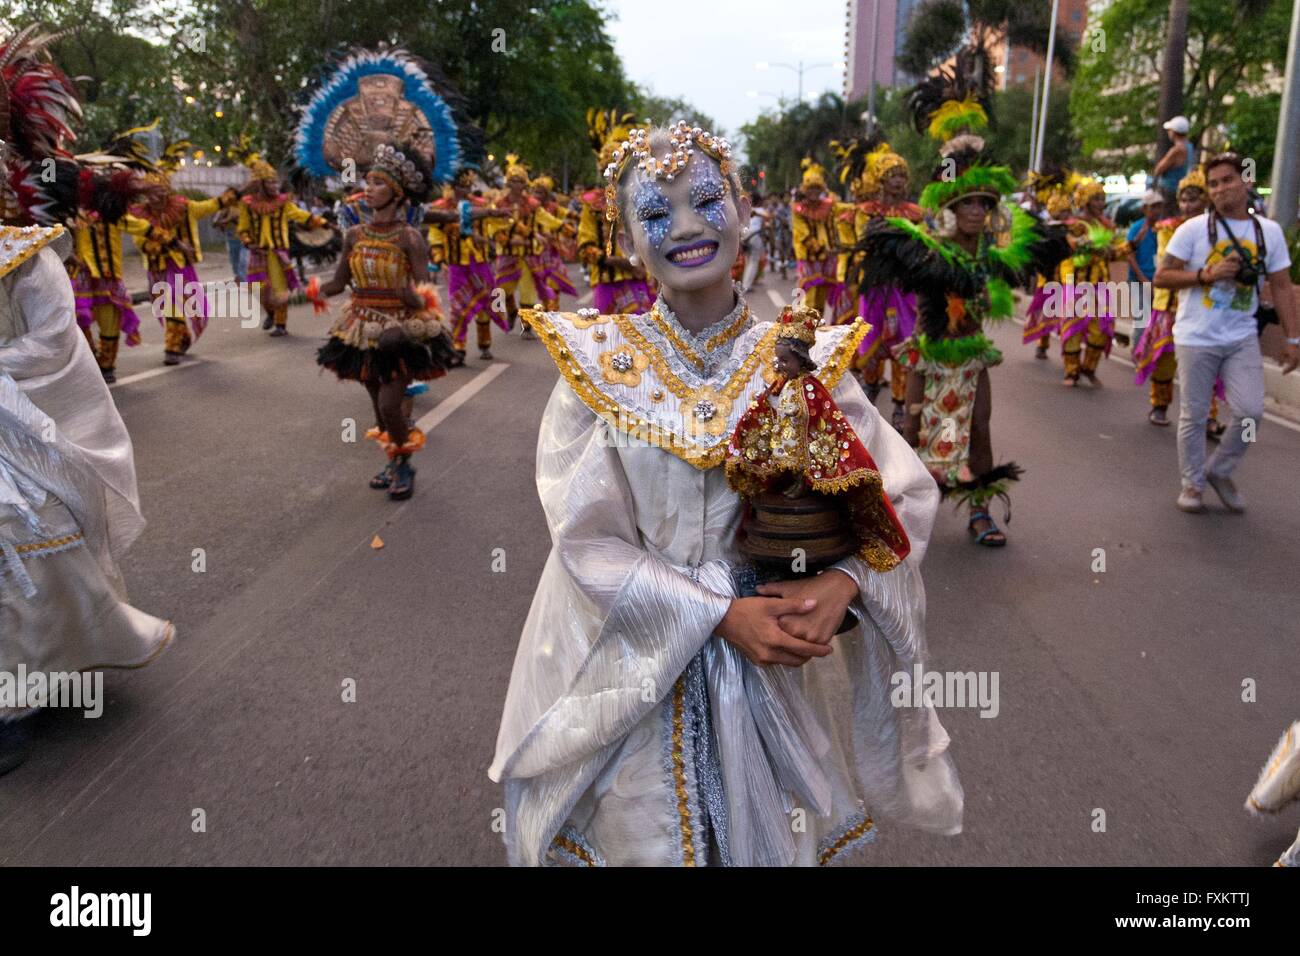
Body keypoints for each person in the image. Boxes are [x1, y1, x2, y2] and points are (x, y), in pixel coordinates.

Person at [488, 119, 961, 867]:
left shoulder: (805, 363)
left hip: (768, 666)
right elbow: (587, 541)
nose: (683, 228)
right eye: (653, 214)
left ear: (744, 211)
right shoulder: (599, 370)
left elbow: (897, 497)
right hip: (637, 671)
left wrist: (844, 582)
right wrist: (717, 615)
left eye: (703, 201)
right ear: (627, 243)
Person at [0, 25, 172, 774]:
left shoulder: (29, 262)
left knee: (24, 534)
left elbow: (49, 345)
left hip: (19, 430)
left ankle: (14, 699)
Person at [855, 45, 1070, 548]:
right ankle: (887, 514)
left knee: (979, 432)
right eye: (966, 202)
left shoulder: (991, 258)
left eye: (983, 203)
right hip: (928, 357)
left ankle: (980, 513)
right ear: (951, 207)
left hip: (973, 358)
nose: (976, 210)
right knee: (910, 432)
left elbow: (1033, 252)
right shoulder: (929, 255)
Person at [309, 144, 457, 501]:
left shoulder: (410, 237)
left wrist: (408, 293)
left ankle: (405, 463)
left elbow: (424, 292)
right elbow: (339, 282)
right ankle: (393, 459)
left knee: (391, 405)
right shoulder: (354, 235)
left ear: (396, 192)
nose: (369, 188)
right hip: (359, 327)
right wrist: (306, 293)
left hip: (400, 327)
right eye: (368, 182)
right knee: (378, 407)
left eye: (377, 183)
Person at [1153, 151, 1299, 514]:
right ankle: (1192, 484)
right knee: (1194, 415)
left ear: (1246, 181)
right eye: (1213, 184)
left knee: (1250, 412)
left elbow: (1282, 286)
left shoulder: (1269, 233)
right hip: (1195, 337)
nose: (1220, 190)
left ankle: (1220, 469)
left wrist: (1294, 340)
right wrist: (1205, 275)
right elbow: (1162, 276)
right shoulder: (1192, 230)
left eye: (1228, 181)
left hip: (1240, 336)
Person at [122, 137, 239, 365]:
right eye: (150, 194)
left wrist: (233, 194)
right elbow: (140, 242)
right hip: (157, 269)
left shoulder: (184, 207)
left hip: (181, 268)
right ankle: (174, 343)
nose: (154, 198)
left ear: (166, 192)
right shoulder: (139, 214)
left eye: (159, 193)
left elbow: (210, 206)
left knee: (188, 306)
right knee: (168, 308)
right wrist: (166, 244)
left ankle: (177, 342)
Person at [833, 136, 923, 429]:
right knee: (870, 338)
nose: (898, 181)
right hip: (873, 284)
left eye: (901, 175)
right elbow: (866, 241)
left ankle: (899, 402)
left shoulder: (915, 213)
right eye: (892, 176)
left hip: (903, 288)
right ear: (882, 180)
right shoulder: (864, 211)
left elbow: (919, 245)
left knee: (902, 342)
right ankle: (870, 385)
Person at [1132, 169, 1225, 430]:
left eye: (1193, 199)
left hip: (1201, 305)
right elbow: (1169, 263)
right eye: (1183, 200)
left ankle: (1208, 416)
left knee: (1204, 362)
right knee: (1164, 359)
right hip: (1169, 305)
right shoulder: (1167, 229)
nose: (1186, 205)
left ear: (1206, 200)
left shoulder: (1219, 230)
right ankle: (1159, 405)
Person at [233, 153, 328, 337]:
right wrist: (249, 243)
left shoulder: (283, 202)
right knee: (259, 290)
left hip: (279, 253)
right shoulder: (247, 204)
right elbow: (242, 229)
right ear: (260, 185)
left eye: (276, 182)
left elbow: (300, 214)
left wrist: (322, 223)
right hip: (257, 253)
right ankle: (270, 312)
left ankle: (280, 324)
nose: (275, 186)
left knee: (279, 288)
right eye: (270, 183)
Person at [575, 109, 654, 316]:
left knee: (646, 341)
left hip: (639, 280)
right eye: (612, 170)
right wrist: (613, 261)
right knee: (606, 342)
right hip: (606, 282)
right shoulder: (592, 204)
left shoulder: (644, 198)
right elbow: (585, 245)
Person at [1058, 178, 1129, 386]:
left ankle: (1089, 368)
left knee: (1101, 330)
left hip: (1101, 286)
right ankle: (1071, 372)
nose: (1101, 203)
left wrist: (1124, 248)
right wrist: (1085, 246)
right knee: (1072, 328)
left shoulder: (1107, 226)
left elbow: (1115, 252)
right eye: (1097, 198)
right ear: (1087, 201)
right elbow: (1070, 248)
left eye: (1102, 199)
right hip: (1077, 285)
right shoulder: (1075, 225)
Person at [426, 168, 500, 361]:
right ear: (452, 187)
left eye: (468, 186)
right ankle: (458, 347)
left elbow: (493, 227)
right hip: (456, 265)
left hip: (480, 263)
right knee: (457, 307)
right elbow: (435, 234)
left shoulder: (481, 206)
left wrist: (488, 240)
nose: (465, 190)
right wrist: (438, 255)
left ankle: (485, 344)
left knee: (484, 303)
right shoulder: (441, 207)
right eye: (461, 186)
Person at [790, 158, 839, 318]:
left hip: (828, 259)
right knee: (809, 295)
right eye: (810, 189)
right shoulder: (798, 210)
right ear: (804, 190)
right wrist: (821, 248)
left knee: (821, 297)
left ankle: (816, 327)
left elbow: (838, 222)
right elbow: (803, 234)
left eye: (817, 189)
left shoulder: (829, 205)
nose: (814, 193)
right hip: (810, 258)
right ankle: (804, 331)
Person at [1153, 115, 1196, 212]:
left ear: (1174, 132)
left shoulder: (1177, 150)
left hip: (1169, 192)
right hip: (1179, 190)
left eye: (1170, 130)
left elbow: (1158, 169)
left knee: (1166, 221)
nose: (1168, 132)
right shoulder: (1189, 147)